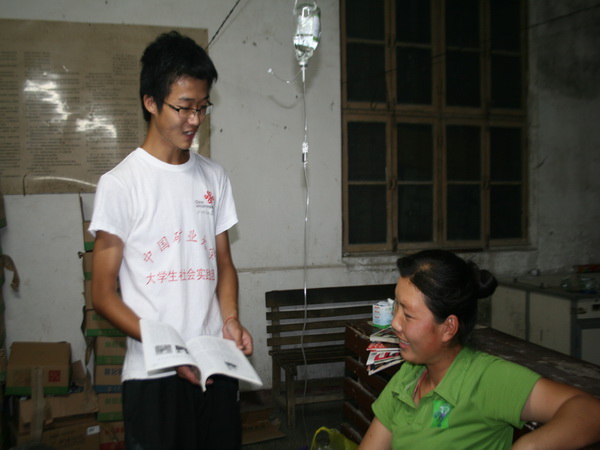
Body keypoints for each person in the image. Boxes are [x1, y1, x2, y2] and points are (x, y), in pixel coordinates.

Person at [89, 30, 253, 450]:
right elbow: (103, 295)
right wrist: (170, 349)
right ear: (150, 101)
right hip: (154, 374)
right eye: (184, 107)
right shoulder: (121, 184)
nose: (194, 119)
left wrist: (230, 318)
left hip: (214, 363)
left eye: (203, 107)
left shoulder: (213, 177)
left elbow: (223, 263)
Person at [359, 249, 600, 450]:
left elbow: (591, 412)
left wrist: (528, 446)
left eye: (408, 315)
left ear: (448, 328)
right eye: (397, 307)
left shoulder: (485, 379)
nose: (395, 323)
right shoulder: (410, 376)